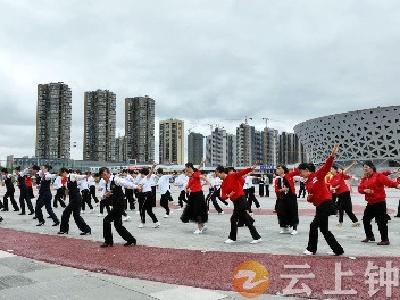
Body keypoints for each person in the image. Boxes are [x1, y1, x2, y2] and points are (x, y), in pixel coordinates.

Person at [299, 144, 344, 256]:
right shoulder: (307, 182)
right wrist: (309, 198)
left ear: (306, 170)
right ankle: (338, 250)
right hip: (319, 206)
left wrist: (333, 154)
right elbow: (311, 197)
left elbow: (327, 166)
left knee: (313, 225)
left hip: (326, 203)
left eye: (301, 171)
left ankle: (311, 249)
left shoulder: (317, 175)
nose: (300, 174)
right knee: (324, 229)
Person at [216, 165, 262, 244]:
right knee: (246, 220)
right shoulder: (223, 184)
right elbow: (223, 197)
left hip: (241, 200)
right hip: (236, 202)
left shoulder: (232, 176)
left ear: (222, 172)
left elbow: (242, 173)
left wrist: (250, 168)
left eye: (217, 174)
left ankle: (232, 238)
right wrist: (227, 196)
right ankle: (257, 237)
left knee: (233, 219)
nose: (217, 176)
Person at [358, 161, 400, 245]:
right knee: (366, 219)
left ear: (371, 168)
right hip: (370, 203)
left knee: (381, 221)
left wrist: (397, 186)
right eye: (364, 167)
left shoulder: (378, 176)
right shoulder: (364, 178)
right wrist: (364, 190)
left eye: (366, 167)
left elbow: (389, 183)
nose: (365, 169)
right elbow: (359, 189)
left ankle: (385, 239)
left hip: (379, 203)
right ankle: (370, 236)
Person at [98, 167, 139, 248]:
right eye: (102, 175)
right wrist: (105, 195)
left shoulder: (116, 179)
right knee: (118, 226)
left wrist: (136, 187)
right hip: (115, 205)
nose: (104, 177)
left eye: (105, 175)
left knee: (106, 220)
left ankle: (108, 241)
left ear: (108, 173)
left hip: (120, 204)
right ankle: (131, 240)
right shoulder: (103, 182)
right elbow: (101, 195)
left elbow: (126, 184)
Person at [58, 169, 91, 235]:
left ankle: (63, 230)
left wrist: (86, 175)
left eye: (61, 174)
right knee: (76, 215)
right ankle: (86, 230)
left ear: (64, 172)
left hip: (76, 197)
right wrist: (65, 189)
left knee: (66, 212)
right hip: (73, 198)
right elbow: (67, 191)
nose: (61, 175)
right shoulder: (65, 180)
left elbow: (79, 176)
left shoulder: (71, 175)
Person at [180, 161, 208, 234]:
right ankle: (202, 225)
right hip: (193, 195)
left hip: (198, 195)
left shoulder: (195, 174)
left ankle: (200, 229)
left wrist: (206, 180)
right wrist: (187, 188)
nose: (185, 170)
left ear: (189, 167)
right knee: (193, 211)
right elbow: (189, 186)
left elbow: (201, 176)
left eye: (186, 168)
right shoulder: (191, 177)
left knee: (198, 211)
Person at [330, 162, 359, 227]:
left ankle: (340, 223)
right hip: (339, 195)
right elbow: (331, 188)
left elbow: (346, 170)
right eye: (330, 169)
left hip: (345, 193)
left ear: (335, 170)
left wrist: (352, 164)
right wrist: (335, 188)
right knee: (347, 210)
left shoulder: (340, 175)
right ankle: (356, 221)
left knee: (341, 208)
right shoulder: (332, 178)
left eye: (332, 169)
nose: (331, 170)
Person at [275, 165, 299, 235]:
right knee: (281, 212)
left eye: (279, 168)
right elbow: (276, 190)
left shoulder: (289, 175)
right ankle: (285, 226)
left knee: (293, 212)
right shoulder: (277, 179)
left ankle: (295, 228)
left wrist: (295, 166)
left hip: (291, 197)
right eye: (277, 169)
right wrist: (281, 190)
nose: (277, 170)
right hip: (282, 198)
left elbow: (297, 171)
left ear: (283, 170)